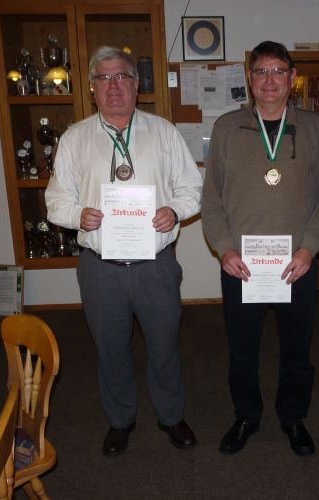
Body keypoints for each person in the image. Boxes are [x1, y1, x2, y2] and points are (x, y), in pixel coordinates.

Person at [45, 46, 203, 457]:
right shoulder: (75, 138)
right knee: (110, 349)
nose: (113, 86)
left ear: (136, 85)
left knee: (164, 345)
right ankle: (120, 420)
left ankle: (171, 415)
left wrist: (175, 210)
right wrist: (78, 215)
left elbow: (193, 188)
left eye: (121, 77)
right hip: (101, 268)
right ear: (92, 88)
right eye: (104, 78)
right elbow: (55, 201)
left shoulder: (163, 132)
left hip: (155, 266)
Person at [202, 41, 319, 456]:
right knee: (243, 350)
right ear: (250, 79)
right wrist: (224, 250)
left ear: (292, 78)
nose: (270, 80)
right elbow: (211, 200)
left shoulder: (316, 129)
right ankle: (246, 415)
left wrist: (309, 249)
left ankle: (293, 417)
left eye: (278, 71)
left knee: (297, 350)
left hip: (297, 264)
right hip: (242, 265)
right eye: (261, 71)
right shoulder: (227, 129)